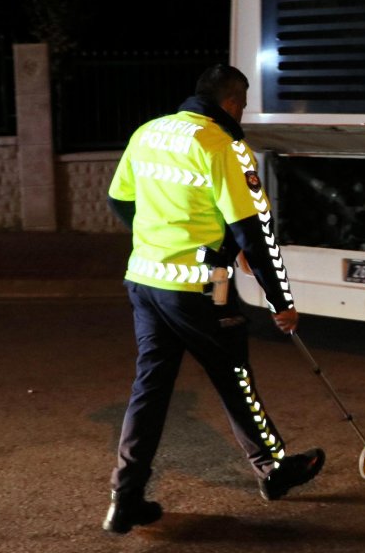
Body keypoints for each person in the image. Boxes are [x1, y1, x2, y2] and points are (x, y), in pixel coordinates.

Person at [101, 64, 325, 534]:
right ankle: (273, 469)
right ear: (232, 102)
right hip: (200, 288)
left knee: (150, 389)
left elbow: (119, 200)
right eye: (241, 105)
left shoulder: (149, 132)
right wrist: (279, 299)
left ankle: (126, 497)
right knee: (233, 375)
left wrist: (161, 242)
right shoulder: (220, 145)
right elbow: (253, 231)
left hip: (145, 281)